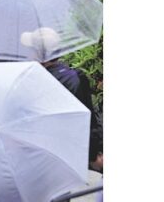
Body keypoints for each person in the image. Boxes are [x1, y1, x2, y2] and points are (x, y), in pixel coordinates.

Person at [21, 27, 104, 172]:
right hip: (65, 155)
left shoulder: (30, 78)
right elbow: (86, 120)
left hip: (38, 155)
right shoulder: (73, 78)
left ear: (39, 53)